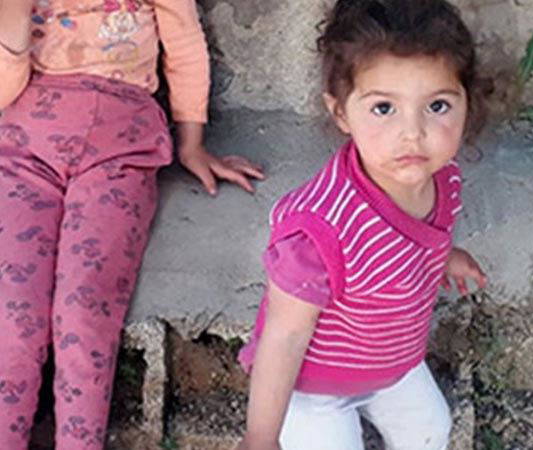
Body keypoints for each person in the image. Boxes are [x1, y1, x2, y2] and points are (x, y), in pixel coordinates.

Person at [0, 0, 264, 448]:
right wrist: (14, 17)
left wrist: (192, 143)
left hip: (119, 152)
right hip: (26, 155)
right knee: (13, 317)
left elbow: (184, 45)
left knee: (84, 311)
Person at [236, 1, 488, 448]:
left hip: (394, 364)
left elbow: (411, 239)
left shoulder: (443, 178)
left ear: (467, 101)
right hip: (314, 388)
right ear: (340, 112)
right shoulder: (318, 231)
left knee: (431, 431)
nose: (413, 132)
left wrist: (444, 256)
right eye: (384, 108)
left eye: (437, 105)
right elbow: (285, 336)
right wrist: (261, 437)